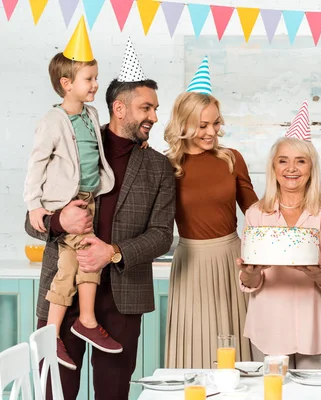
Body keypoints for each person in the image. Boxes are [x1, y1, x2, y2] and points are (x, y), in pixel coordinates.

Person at [24, 39, 176, 400]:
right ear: (119, 108)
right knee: (54, 393)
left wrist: (114, 252)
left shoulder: (159, 166)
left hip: (123, 299)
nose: (154, 116)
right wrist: (59, 221)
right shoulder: (73, 141)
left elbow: (161, 235)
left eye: (155, 108)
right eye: (147, 108)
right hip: (62, 295)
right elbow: (32, 221)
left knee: (113, 394)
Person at [23, 20, 122, 371]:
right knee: (73, 264)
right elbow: (37, 161)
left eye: (96, 77)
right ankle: (79, 324)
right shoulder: (54, 119)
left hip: (89, 197)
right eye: (89, 79)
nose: (96, 84)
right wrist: (35, 203)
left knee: (84, 260)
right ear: (67, 84)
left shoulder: (92, 114)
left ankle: (77, 324)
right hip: (68, 202)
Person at [237, 102, 321, 369]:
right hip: (269, 327)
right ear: (274, 167)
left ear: (311, 168)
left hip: (316, 326)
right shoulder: (256, 214)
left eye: (300, 161)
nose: (291, 168)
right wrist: (250, 272)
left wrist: (317, 273)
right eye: (283, 161)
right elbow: (249, 280)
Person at [163, 89, 258, 368]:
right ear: (184, 125)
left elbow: (256, 214)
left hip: (232, 259)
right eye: (202, 125)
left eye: (215, 123)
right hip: (190, 263)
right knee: (193, 343)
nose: (211, 132)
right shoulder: (167, 166)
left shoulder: (232, 158)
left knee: (233, 344)